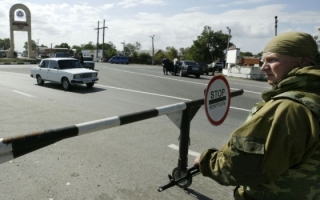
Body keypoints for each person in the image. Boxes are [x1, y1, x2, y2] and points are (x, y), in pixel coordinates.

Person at [194, 31, 320, 199]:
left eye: (272, 59)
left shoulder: (289, 108)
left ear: (302, 60)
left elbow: (242, 166)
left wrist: (205, 161)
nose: (263, 67)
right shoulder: (313, 94)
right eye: (263, 60)